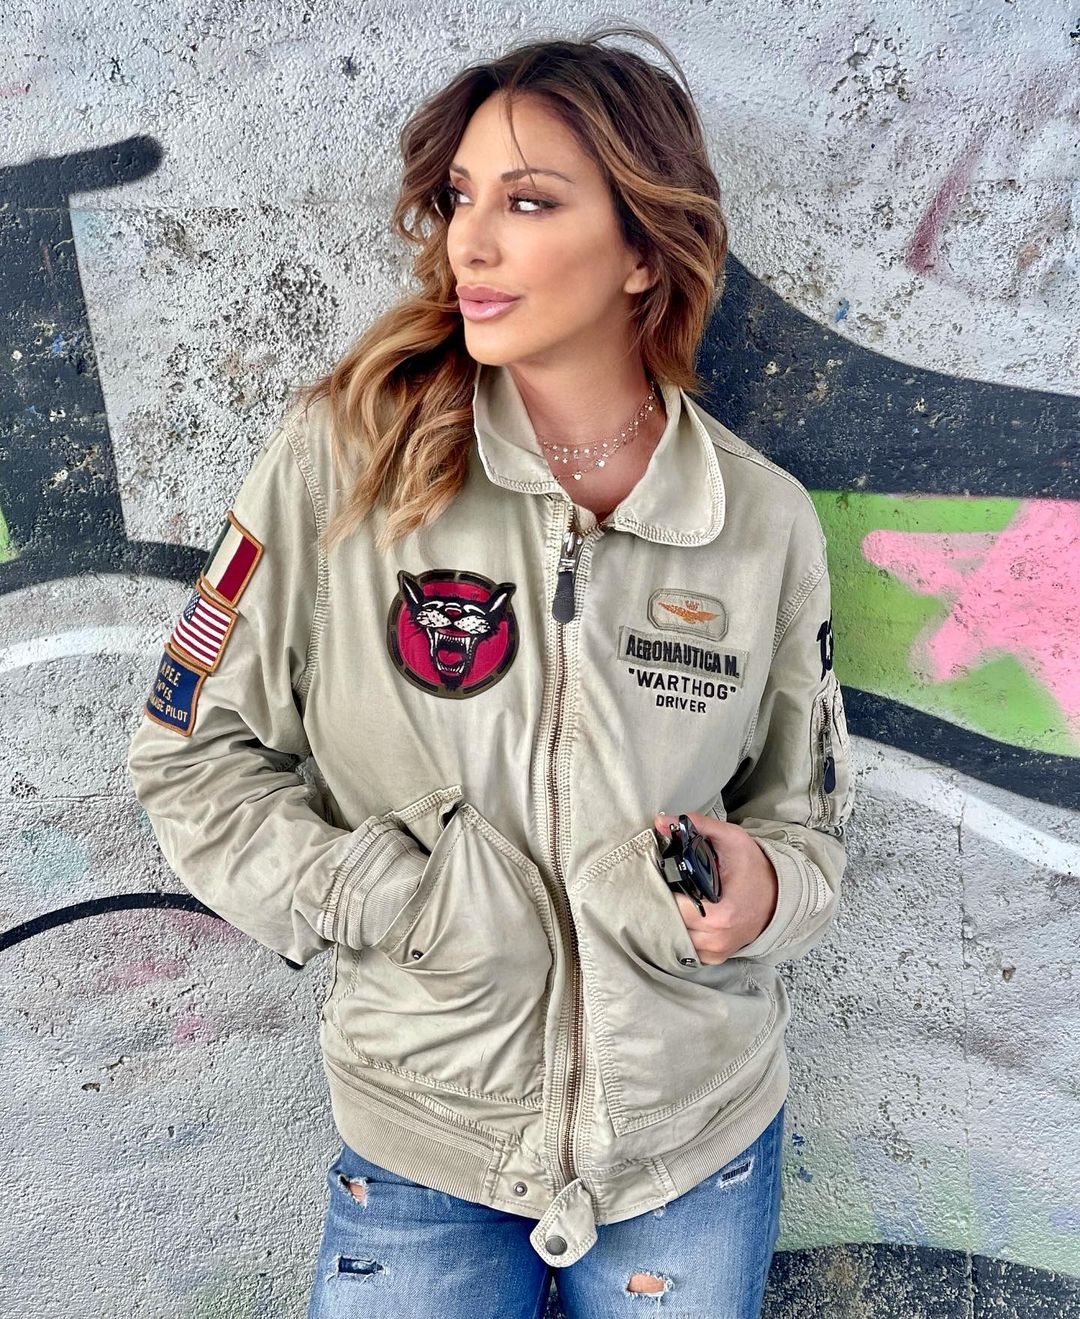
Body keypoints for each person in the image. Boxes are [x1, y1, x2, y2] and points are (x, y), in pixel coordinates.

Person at [127, 21, 853, 1319]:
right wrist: (391, 898)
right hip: (426, 1142)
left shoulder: (757, 523)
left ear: (644, 250)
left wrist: (763, 891)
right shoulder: (347, 464)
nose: (471, 242)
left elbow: (807, 821)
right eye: (462, 198)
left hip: (694, 1145)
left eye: (528, 202)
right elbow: (191, 751)